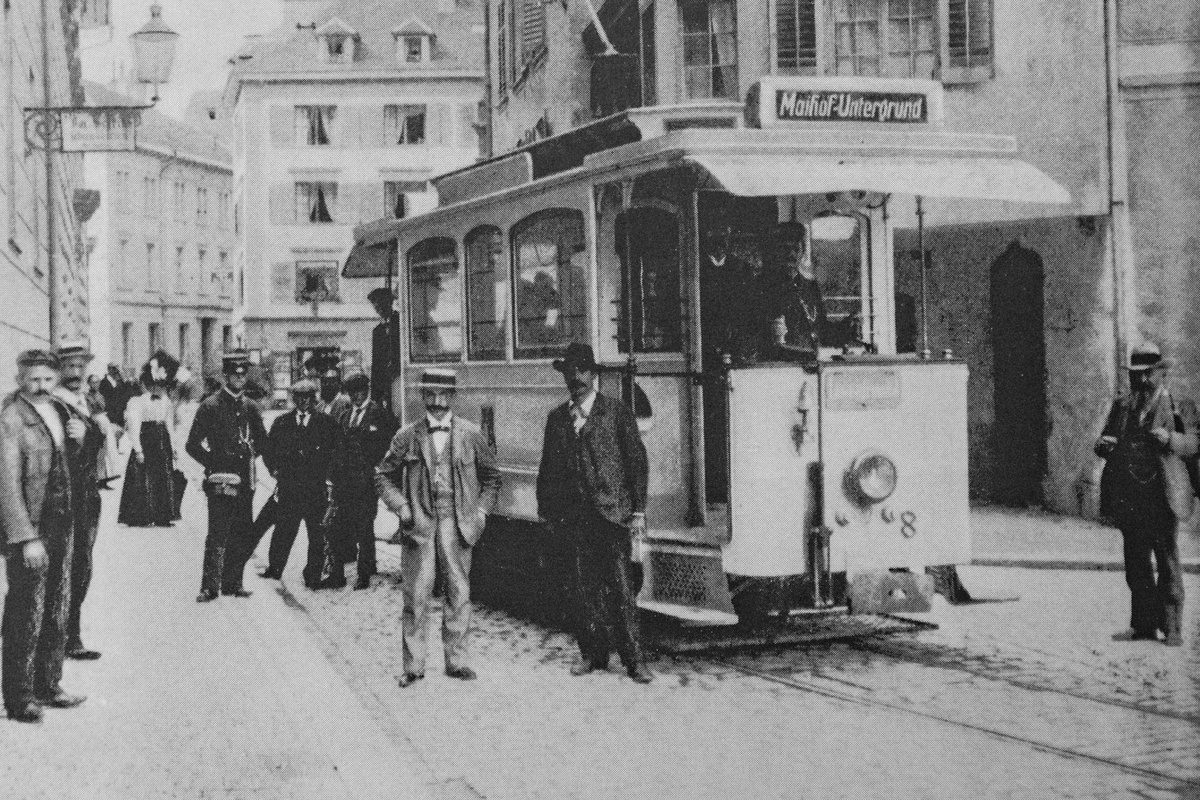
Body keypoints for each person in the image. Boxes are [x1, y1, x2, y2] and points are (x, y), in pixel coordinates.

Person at [536, 343, 653, 683]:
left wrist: (639, 512)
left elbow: (636, 464)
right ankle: (592, 654)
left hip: (612, 515)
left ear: (593, 374)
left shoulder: (616, 413)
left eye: (582, 370)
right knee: (582, 589)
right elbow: (548, 472)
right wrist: (547, 514)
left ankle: (634, 661)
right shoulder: (557, 419)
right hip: (574, 518)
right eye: (570, 372)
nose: (576, 378)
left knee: (620, 590)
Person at [376, 368, 501, 686]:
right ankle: (413, 665)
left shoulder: (470, 434)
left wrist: (482, 512)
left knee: (458, 591)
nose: (437, 401)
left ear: (453, 397)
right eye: (430, 394)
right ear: (422, 397)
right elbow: (383, 475)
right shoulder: (407, 436)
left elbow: (492, 478)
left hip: (457, 524)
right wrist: (401, 506)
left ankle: (456, 661)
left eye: (443, 395)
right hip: (420, 526)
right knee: (416, 595)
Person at [0, 349, 87, 723]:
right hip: (32, 530)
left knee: (57, 605)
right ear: (20, 379)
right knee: (26, 612)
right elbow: (6, 485)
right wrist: (25, 537)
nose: (41, 386)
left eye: (48, 379)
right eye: (33, 379)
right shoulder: (11, 418)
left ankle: (49, 685)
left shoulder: (60, 410)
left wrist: (81, 438)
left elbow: (73, 463)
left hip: (61, 522)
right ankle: (19, 698)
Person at [1096, 342, 1197, 646]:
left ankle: (1173, 628)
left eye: (1147, 375)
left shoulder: (1180, 405)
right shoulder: (1123, 405)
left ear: (1161, 373)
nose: (1140, 381)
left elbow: (1194, 443)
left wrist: (1171, 439)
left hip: (1163, 494)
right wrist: (1103, 444)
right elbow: (1107, 435)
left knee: (1166, 560)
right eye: (1135, 375)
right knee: (1136, 561)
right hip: (1130, 495)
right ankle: (1143, 625)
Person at [186, 350, 268, 602]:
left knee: (241, 532)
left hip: (244, 480)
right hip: (220, 479)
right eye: (234, 375)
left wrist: (248, 458)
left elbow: (263, 442)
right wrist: (214, 462)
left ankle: (234, 582)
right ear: (225, 376)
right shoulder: (210, 406)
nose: (239, 379)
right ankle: (210, 586)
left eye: (243, 375)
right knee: (218, 533)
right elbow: (192, 445)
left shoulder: (250, 407)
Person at [53, 341, 111, 661]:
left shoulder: (84, 400)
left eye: (80, 366)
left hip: (87, 494)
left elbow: (93, 443)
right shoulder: (57, 404)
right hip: (65, 497)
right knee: (66, 566)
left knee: (82, 566)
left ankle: (70, 632)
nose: (75, 373)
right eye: (69, 366)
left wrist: (92, 432)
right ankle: (64, 636)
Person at [260, 379, 340, 589]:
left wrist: (329, 478)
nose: (304, 402)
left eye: (308, 398)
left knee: (317, 533)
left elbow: (336, 452)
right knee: (284, 530)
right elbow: (269, 449)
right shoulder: (282, 423)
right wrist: (274, 469)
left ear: (315, 400)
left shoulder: (327, 423)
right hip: (290, 487)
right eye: (300, 398)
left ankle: (313, 574)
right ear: (294, 399)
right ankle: (275, 567)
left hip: (315, 488)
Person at [323, 372, 396, 590]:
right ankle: (336, 575)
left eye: (360, 391)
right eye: (352, 392)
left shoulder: (380, 415)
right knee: (337, 527)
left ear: (367, 390)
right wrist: (331, 478)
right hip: (343, 483)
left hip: (366, 482)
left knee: (364, 528)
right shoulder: (344, 417)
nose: (356, 396)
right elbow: (336, 449)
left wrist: (381, 469)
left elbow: (394, 445)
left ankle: (364, 574)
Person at [117, 351, 180, 527]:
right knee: (143, 477)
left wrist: (173, 447)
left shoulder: (166, 401)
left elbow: (169, 425)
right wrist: (138, 449)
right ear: (149, 385)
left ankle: (163, 515)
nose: (160, 389)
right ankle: (141, 515)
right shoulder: (137, 402)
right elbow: (135, 427)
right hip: (147, 439)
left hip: (162, 440)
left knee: (163, 477)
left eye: (163, 386)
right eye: (156, 385)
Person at [762, 222, 826, 358]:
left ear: (802, 253)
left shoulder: (810, 287)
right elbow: (769, 342)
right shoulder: (763, 287)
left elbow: (822, 329)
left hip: (810, 365)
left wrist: (845, 328)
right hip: (780, 368)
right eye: (784, 248)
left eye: (796, 249)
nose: (791, 254)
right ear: (775, 252)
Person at [369, 287, 400, 413]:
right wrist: (375, 395)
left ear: (390, 303)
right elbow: (375, 363)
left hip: (398, 378)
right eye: (377, 308)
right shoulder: (377, 331)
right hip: (383, 385)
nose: (380, 311)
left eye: (382, 306)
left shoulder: (400, 323)